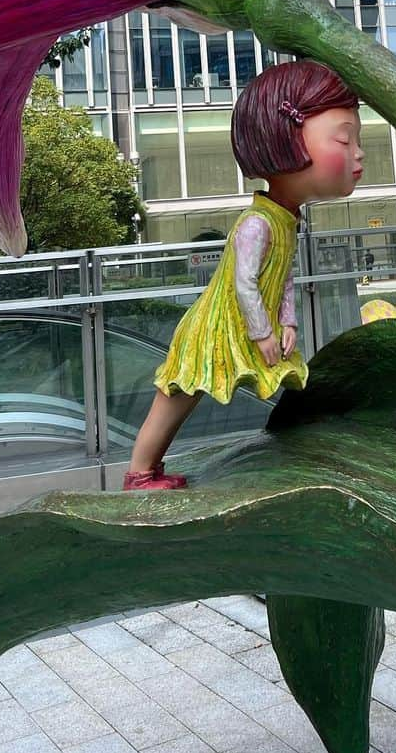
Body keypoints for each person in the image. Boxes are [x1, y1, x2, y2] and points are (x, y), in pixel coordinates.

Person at [123, 60, 364, 490]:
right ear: (286, 142)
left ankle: (149, 471)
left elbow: (284, 276)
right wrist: (262, 332)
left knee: (213, 391)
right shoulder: (257, 224)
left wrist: (286, 321)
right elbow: (244, 282)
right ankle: (141, 475)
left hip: (250, 326)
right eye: (345, 139)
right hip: (218, 329)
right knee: (177, 397)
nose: (358, 152)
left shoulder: (286, 219)